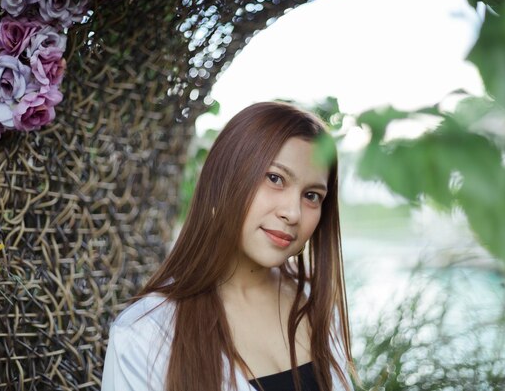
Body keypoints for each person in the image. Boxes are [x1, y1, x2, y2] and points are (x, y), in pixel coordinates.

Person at [102, 102, 355, 391]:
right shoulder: (146, 334)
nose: (293, 213)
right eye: (275, 178)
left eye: (311, 195)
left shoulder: (316, 303)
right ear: (222, 180)